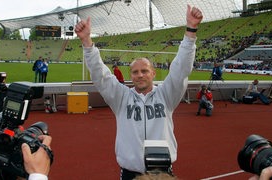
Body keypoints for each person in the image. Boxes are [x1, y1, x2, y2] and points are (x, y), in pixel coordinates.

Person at [75, 4, 203, 179]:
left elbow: (180, 68)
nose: (140, 75)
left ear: (153, 73)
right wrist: (86, 42)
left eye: (144, 71)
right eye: (135, 72)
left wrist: (191, 30)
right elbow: (100, 75)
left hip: (162, 172)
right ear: (131, 76)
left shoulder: (166, 95)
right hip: (130, 173)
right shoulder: (121, 98)